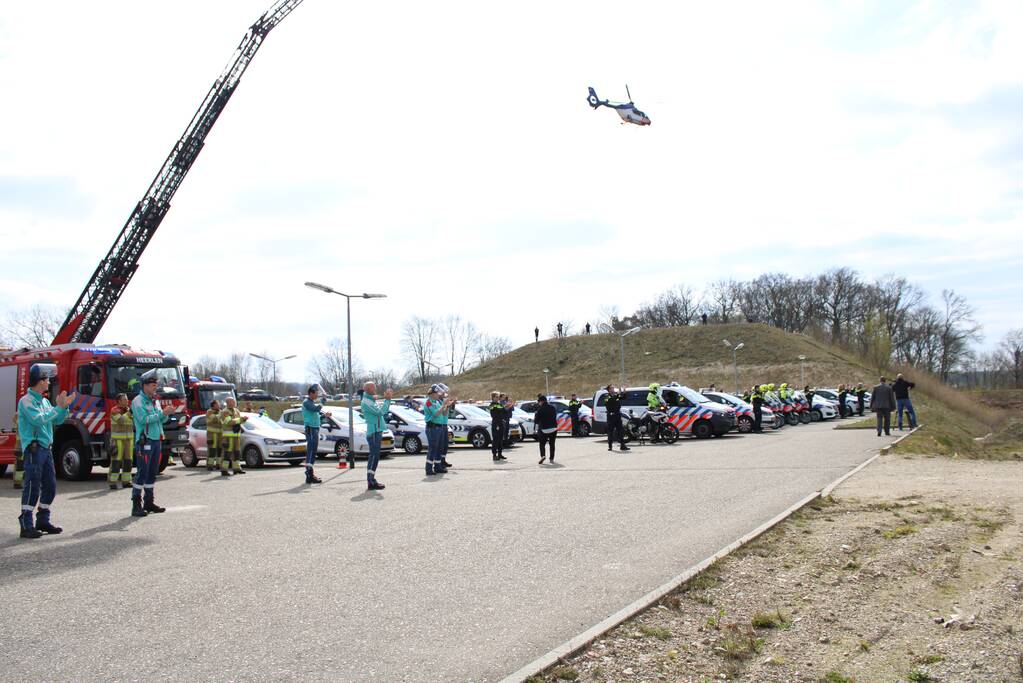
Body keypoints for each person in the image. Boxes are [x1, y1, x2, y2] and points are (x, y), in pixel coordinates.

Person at [17, 363, 75, 538]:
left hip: (46, 449)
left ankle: (43, 520)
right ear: (40, 380)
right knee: (32, 487)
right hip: (34, 450)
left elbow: (55, 421)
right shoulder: (26, 401)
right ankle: (26, 524)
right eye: (47, 379)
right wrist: (58, 408)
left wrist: (63, 408)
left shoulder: (43, 400)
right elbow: (38, 420)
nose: (49, 382)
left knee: (50, 486)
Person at [131, 370, 174, 517]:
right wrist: (162, 414)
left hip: (156, 440)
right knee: (142, 472)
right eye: (153, 384)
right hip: (145, 441)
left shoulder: (155, 401)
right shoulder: (138, 401)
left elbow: (161, 420)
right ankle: (136, 504)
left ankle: (149, 502)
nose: (155, 387)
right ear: (144, 386)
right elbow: (143, 419)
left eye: (156, 384)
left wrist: (166, 414)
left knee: (152, 473)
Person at [360, 381, 392, 491]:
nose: (375, 390)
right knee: (374, 456)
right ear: (368, 389)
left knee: (375, 456)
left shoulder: (370, 400)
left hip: (376, 430)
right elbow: (380, 412)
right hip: (373, 431)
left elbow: (384, 410)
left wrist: (386, 400)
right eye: (373, 388)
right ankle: (370, 480)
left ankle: (371, 479)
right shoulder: (366, 402)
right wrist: (387, 399)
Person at [423, 384, 455, 475]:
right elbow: (436, 414)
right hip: (432, 427)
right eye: (437, 393)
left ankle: (437, 466)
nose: (439, 395)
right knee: (432, 448)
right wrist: (443, 405)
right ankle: (428, 468)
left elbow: (444, 414)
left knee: (439, 448)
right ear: (432, 393)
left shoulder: (437, 402)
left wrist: (447, 406)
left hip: (439, 427)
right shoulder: (429, 402)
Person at [301, 385, 330, 483]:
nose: (317, 395)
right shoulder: (306, 403)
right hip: (311, 429)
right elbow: (316, 409)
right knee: (311, 450)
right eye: (316, 394)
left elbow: (316, 415)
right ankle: (309, 473)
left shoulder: (311, 403)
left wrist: (324, 415)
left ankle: (310, 474)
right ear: (311, 393)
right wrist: (323, 400)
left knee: (313, 450)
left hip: (315, 428)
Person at [108, 393, 134, 489]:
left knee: (128, 461)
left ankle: (126, 481)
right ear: (119, 401)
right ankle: (112, 482)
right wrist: (129, 413)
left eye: (127, 399)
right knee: (116, 462)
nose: (127, 401)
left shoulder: (128, 410)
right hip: (117, 440)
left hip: (128, 440)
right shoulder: (114, 410)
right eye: (125, 399)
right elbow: (121, 420)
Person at [219, 396, 247, 477]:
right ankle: (224, 470)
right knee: (227, 454)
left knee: (237, 453)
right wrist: (241, 419)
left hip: (236, 436)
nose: (234, 403)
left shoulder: (236, 411)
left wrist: (243, 420)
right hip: (228, 437)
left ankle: (237, 469)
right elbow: (229, 422)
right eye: (232, 402)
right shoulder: (225, 412)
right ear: (228, 403)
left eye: (234, 401)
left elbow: (238, 421)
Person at [604, 385, 629, 452]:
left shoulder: (616, 395)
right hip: (611, 416)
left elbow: (623, 398)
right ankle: (610, 446)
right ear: (609, 390)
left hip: (617, 415)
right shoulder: (607, 396)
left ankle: (622, 445)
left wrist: (624, 392)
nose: (613, 389)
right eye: (612, 388)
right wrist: (617, 394)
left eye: (613, 388)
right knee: (610, 431)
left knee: (620, 430)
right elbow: (610, 401)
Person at [534, 395, 558, 464]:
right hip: (553, 428)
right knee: (552, 444)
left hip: (544, 429)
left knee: (542, 444)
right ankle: (551, 458)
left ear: (541, 401)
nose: (539, 403)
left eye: (539, 402)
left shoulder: (540, 410)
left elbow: (536, 421)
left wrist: (536, 415)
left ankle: (543, 455)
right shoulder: (553, 408)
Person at [488, 391, 509, 461]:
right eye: (496, 397)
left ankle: (500, 454)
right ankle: (494, 455)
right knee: (495, 440)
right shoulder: (492, 405)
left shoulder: (499, 404)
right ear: (493, 397)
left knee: (500, 439)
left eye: (498, 397)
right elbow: (494, 415)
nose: (498, 398)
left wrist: (505, 408)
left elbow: (504, 412)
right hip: (496, 423)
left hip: (501, 423)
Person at [205, 399, 223, 472]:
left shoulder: (220, 412)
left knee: (219, 450)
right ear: (214, 405)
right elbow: (215, 419)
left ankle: (218, 465)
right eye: (218, 404)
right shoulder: (209, 412)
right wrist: (221, 414)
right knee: (212, 450)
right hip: (211, 435)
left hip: (220, 435)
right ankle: (210, 465)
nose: (219, 405)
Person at [11, 416, 24, 489]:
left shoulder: (18, 416)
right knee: (20, 465)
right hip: (20, 446)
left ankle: (17, 482)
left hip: (20, 445)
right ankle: (17, 482)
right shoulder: (20, 416)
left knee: (20, 464)